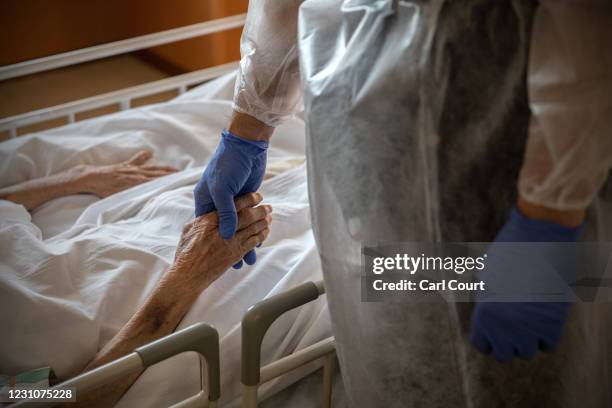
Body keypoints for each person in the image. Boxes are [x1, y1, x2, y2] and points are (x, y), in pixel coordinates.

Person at [194, 0, 612, 407]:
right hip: (361, 102)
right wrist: (249, 126)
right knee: (399, 324)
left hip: (510, 99)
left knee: (532, 361)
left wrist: (549, 216)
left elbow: (591, 29)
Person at [0, 151, 272, 406]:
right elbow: (66, 397)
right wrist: (187, 277)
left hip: (94, 248)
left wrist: (82, 178)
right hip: (144, 299)